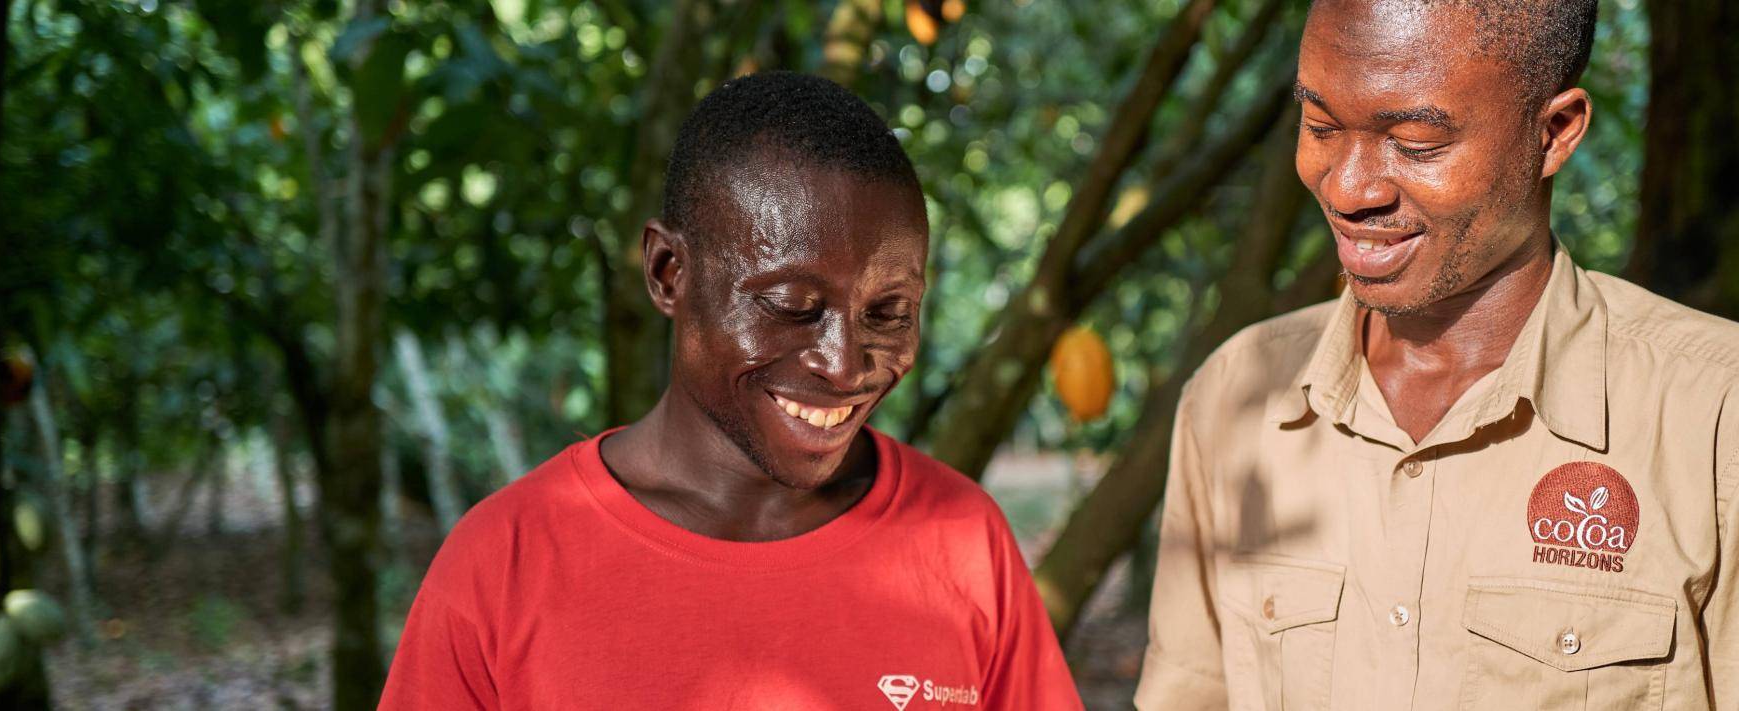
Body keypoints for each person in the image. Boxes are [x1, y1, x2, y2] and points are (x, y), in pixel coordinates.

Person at [378, 71, 1082, 710]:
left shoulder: (963, 540)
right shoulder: (504, 565)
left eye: (888, 312)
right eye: (793, 305)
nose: (844, 365)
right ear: (668, 272)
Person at [1137, 0, 1739, 708]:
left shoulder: (1713, 417)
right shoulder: (1236, 395)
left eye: (1416, 142)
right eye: (1320, 126)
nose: (1348, 188)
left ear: (1554, 133)